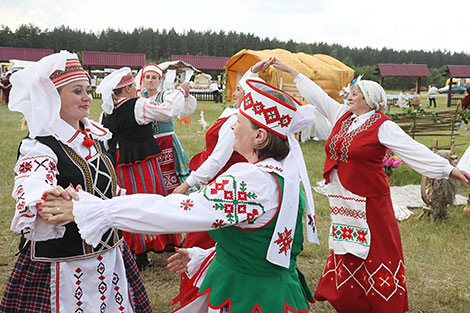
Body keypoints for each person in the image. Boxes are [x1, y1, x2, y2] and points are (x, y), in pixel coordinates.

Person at [38, 69, 321, 313]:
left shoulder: (252, 182)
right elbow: (263, 246)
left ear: (259, 136)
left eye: (239, 122)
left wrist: (96, 210)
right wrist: (205, 256)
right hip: (265, 289)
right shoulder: (279, 174)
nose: (232, 126)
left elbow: (174, 211)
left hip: (251, 298)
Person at [273, 58, 470, 313]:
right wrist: (292, 72)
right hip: (344, 199)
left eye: (356, 94)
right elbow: (319, 96)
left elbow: (412, 150)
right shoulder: (343, 116)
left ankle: (383, 301)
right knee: (348, 247)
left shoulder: (382, 125)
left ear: (370, 99)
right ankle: (350, 298)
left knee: (376, 250)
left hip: (370, 201)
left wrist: (448, 170)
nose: (350, 96)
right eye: (351, 93)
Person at [0, 51, 153, 313]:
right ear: (52, 97)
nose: (87, 97)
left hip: (109, 253)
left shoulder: (95, 135)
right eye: (77, 91)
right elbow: (33, 182)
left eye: (88, 90)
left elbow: (106, 186)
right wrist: (47, 195)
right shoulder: (39, 147)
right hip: (66, 262)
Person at [170, 60, 274, 306]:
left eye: (240, 90)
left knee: (202, 239)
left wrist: (188, 184)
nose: (235, 92)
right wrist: (254, 69)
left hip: (223, 183)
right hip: (223, 181)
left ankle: (201, 296)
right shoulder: (233, 114)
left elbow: (217, 160)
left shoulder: (237, 119)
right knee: (205, 240)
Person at [98, 67, 196, 270]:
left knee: (130, 204)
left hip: (122, 164)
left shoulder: (107, 112)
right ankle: (159, 243)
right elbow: (168, 112)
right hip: (142, 163)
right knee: (152, 200)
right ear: (126, 89)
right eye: (133, 85)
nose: (137, 88)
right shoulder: (138, 105)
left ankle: (139, 251)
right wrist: (180, 91)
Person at [137, 64, 196, 193]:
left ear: (160, 80)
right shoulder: (140, 100)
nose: (150, 80)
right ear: (143, 79)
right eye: (147, 77)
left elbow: (183, 111)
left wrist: (184, 96)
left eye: (154, 77)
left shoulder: (165, 96)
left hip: (167, 142)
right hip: (150, 145)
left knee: (171, 175)